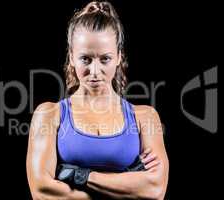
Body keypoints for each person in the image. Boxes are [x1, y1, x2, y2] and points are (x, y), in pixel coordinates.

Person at [26, 1, 169, 199]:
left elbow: (154, 190)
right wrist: (127, 181)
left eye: (105, 59)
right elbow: (42, 191)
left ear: (119, 57)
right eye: (85, 59)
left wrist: (78, 175)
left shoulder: (145, 117)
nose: (94, 71)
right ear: (72, 57)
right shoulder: (50, 114)